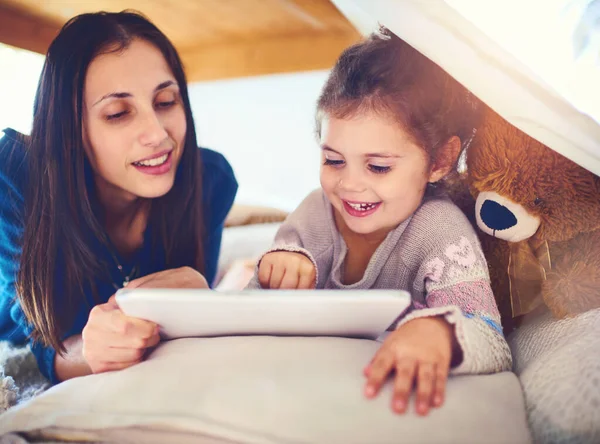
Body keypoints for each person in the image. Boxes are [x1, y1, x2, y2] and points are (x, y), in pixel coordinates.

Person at [246, 28, 511, 415]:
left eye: (378, 166)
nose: (349, 184)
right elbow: (250, 313)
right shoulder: (313, 214)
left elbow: (490, 337)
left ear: (439, 160)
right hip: (309, 397)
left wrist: (439, 332)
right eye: (333, 160)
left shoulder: (440, 232)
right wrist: (273, 274)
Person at [0, 11, 237, 384]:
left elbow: (187, 313)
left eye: (165, 101)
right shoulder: (15, 175)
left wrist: (201, 298)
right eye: (118, 113)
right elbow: (39, 339)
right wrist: (88, 352)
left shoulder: (211, 180)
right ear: (70, 129)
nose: (158, 134)